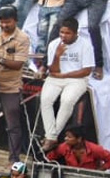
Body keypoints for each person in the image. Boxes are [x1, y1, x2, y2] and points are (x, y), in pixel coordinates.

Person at [0, 5, 33, 165]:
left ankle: (14, 159)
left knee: (12, 125)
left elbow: (18, 64)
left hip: (10, 87)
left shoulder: (23, 38)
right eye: (2, 22)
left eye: (8, 22)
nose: (4, 26)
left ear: (16, 21)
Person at [40, 18, 96, 151]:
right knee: (46, 99)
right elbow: (53, 70)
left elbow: (86, 71)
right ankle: (52, 136)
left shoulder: (85, 45)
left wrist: (65, 75)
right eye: (61, 32)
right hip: (56, 77)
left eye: (67, 33)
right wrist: (57, 56)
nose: (63, 36)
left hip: (77, 79)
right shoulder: (54, 44)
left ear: (76, 33)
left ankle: (51, 136)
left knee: (67, 100)